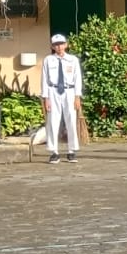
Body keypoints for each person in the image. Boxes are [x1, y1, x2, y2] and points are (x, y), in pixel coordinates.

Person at [39, 33, 83, 164]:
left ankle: (71, 150)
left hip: (69, 91)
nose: (59, 47)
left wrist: (77, 96)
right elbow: (44, 79)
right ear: (52, 46)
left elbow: (78, 78)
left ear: (66, 45)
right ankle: (54, 151)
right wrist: (46, 98)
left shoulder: (73, 60)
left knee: (71, 120)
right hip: (53, 91)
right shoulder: (48, 60)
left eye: (61, 44)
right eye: (56, 45)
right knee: (53, 121)